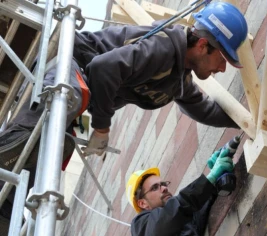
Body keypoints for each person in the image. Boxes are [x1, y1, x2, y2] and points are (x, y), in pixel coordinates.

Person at [0, 1, 246, 233]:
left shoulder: (179, 80)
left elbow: (203, 109)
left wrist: (244, 122)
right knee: (64, 100)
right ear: (203, 45)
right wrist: (102, 127)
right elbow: (102, 69)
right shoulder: (165, 47)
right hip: (68, 63)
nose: (222, 68)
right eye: (222, 59)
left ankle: (6, 206)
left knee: (55, 147)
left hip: (79, 92)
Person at [126, 148, 234, 236]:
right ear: (143, 203)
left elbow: (194, 214)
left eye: (163, 184)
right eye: (155, 187)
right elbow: (172, 212)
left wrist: (214, 182)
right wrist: (210, 178)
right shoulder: (140, 227)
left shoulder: (178, 219)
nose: (164, 188)